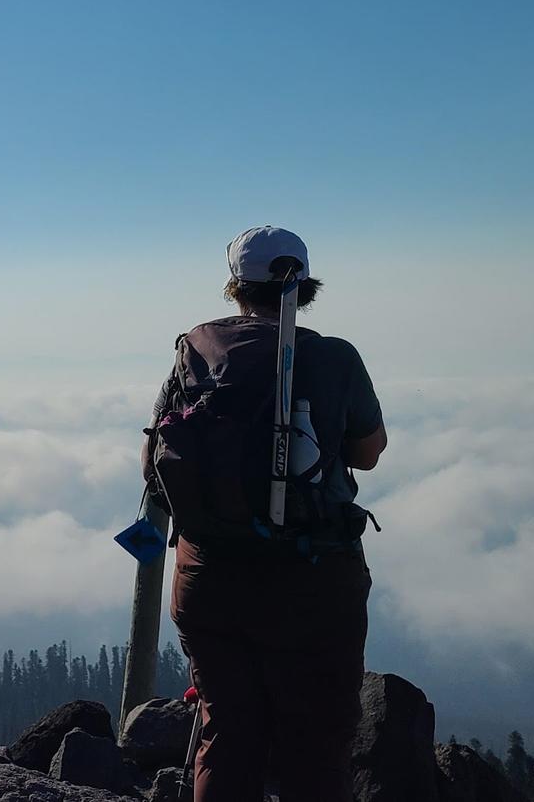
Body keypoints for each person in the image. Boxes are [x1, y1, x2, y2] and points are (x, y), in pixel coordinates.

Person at [145, 226, 387, 802]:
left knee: (226, 734)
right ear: (303, 286)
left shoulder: (197, 351)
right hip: (313, 579)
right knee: (317, 744)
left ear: (236, 286)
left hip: (209, 574)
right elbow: (368, 453)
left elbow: (156, 459)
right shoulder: (334, 358)